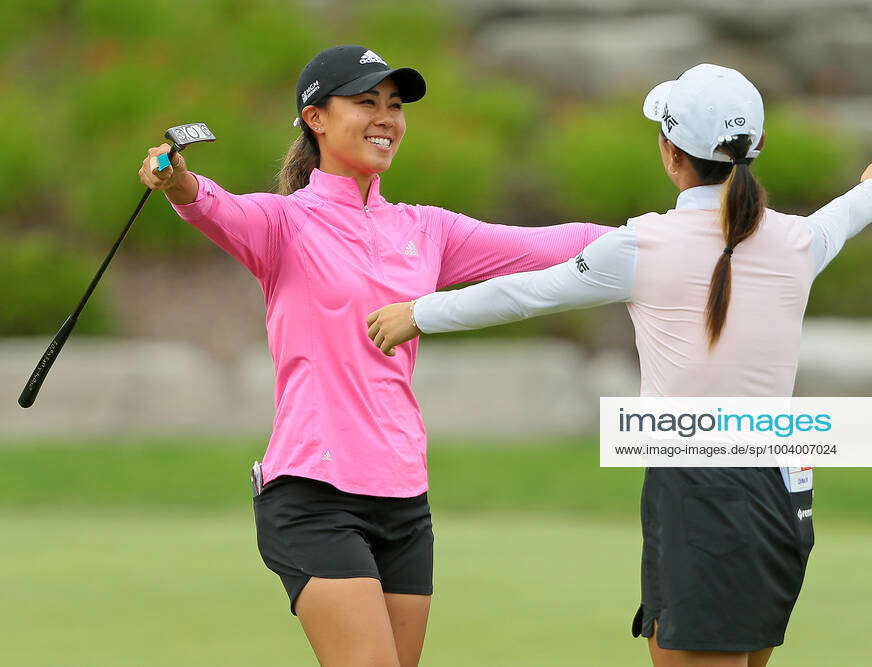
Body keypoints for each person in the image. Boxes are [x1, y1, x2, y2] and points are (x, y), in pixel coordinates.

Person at [365, 63, 872, 667]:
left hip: (702, 489)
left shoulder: (642, 245)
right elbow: (845, 214)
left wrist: (420, 313)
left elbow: (527, 293)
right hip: (785, 489)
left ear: (671, 153)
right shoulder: (798, 241)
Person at [137, 45, 611, 667]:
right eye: (365, 103)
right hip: (314, 495)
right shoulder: (283, 224)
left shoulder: (427, 230)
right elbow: (211, 204)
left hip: (404, 498)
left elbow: (554, 246)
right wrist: (176, 178)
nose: (386, 117)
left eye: (394, 106)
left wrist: (674, 233)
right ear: (316, 118)